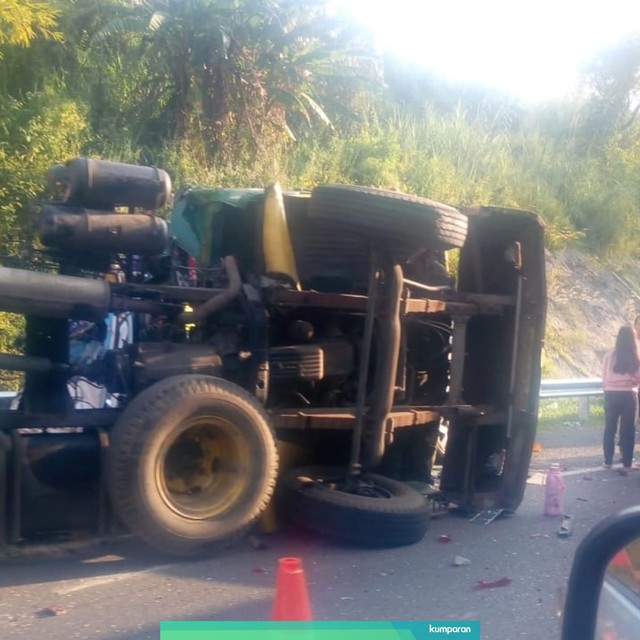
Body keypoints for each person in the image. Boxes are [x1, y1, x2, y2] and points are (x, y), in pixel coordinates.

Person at [602, 325, 640, 474]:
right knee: (628, 430)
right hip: (628, 395)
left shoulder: (608, 356)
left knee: (610, 428)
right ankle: (627, 463)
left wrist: (608, 388)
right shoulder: (635, 357)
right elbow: (638, 379)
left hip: (610, 394)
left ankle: (607, 461)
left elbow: (604, 377)